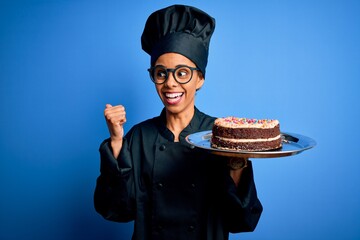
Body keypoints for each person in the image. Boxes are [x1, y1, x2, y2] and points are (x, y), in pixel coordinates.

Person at [94, 4, 263, 240]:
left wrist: (237, 163)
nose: (170, 83)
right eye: (161, 73)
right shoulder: (139, 137)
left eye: (182, 72)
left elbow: (241, 220)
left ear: (200, 78)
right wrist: (116, 140)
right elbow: (117, 210)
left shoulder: (222, 134)